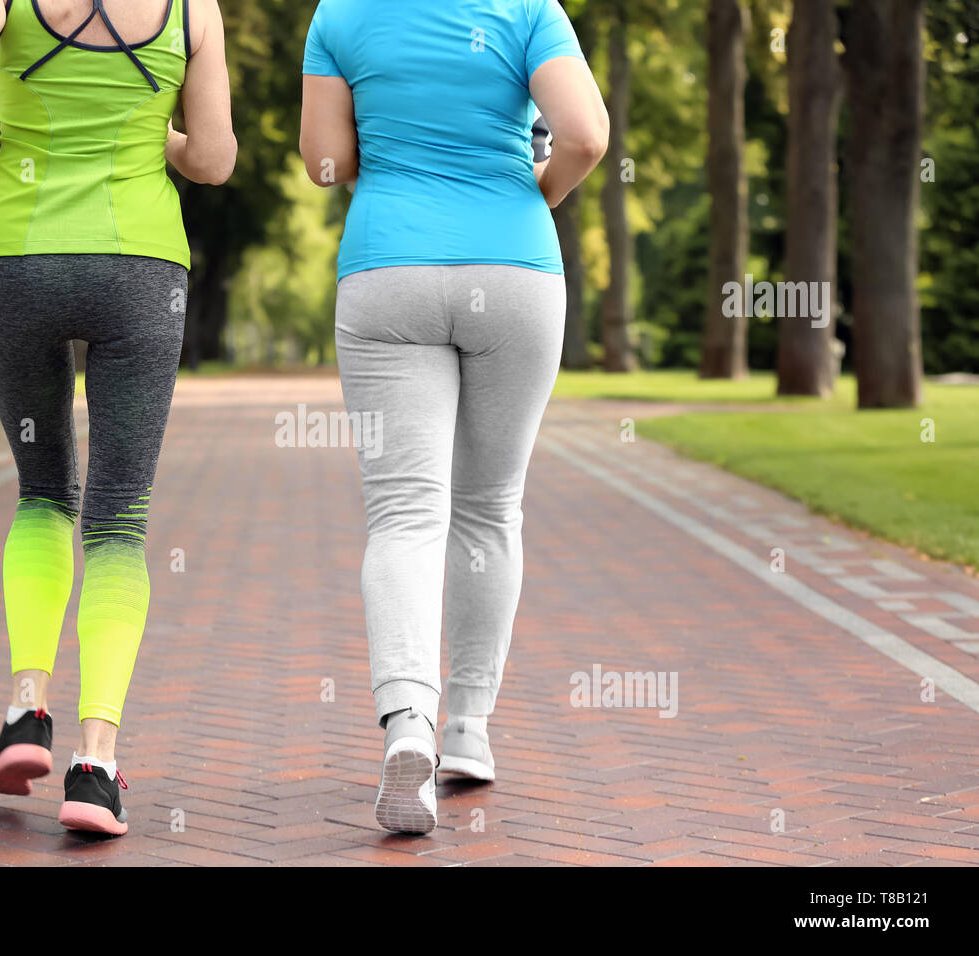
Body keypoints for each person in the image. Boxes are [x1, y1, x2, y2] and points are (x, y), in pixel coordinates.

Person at [0, 0, 235, 835]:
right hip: (138, 266)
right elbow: (211, 159)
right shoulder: (190, 7)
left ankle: (27, 709)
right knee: (119, 520)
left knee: (42, 493)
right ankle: (95, 766)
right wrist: (151, 138)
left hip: (14, 258)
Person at [300, 0, 608, 834]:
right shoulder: (526, 8)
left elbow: (325, 162)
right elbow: (585, 136)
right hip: (515, 268)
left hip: (388, 266)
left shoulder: (340, 14)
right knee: (491, 507)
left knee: (404, 514)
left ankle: (409, 725)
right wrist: (533, 194)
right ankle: (470, 730)